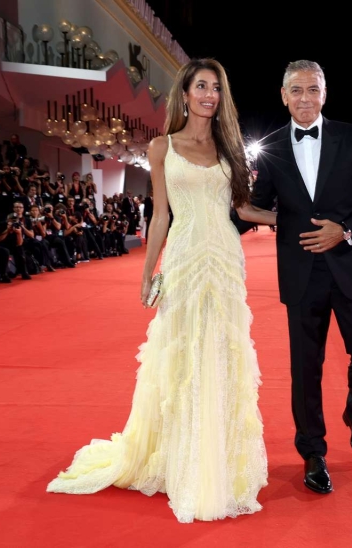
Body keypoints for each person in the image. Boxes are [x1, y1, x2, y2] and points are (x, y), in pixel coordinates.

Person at [47, 58, 276, 523]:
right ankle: (181, 459)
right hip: (187, 258)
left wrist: (282, 219)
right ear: (185, 93)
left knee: (221, 352)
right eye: (201, 86)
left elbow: (243, 209)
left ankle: (218, 461)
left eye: (216, 87)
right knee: (184, 356)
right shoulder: (160, 147)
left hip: (226, 261)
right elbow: (161, 216)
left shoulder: (230, 149)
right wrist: (148, 271)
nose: (209, 95)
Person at [235, 60, 352, 494]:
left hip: (351, 265)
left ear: (325, 94)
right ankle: (313, 452)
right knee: (306, 368)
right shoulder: (276, 148)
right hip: (301, 273)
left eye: (313, 90)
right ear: (283, 96)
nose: (305, 98)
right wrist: (211, 223)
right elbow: (258, 206)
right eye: (297, 91)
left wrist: (348, 229)